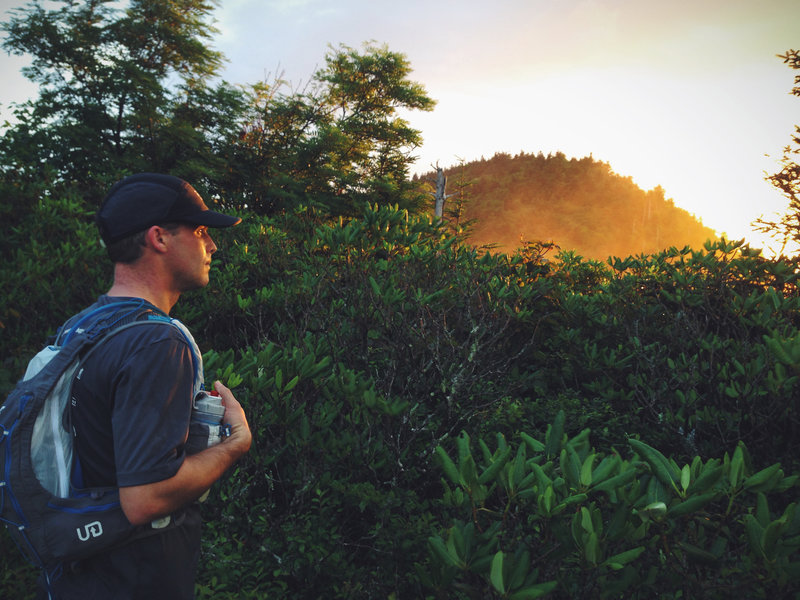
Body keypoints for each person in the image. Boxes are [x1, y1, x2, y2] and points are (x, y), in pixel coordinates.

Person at [42, 173, 252, 599]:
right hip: (133, 579)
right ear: (159, 237)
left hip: (77, 572)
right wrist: (236, 443)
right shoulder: (156, 340)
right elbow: (146, 498)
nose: (212, 246)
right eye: (199, 231)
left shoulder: (82, 327)